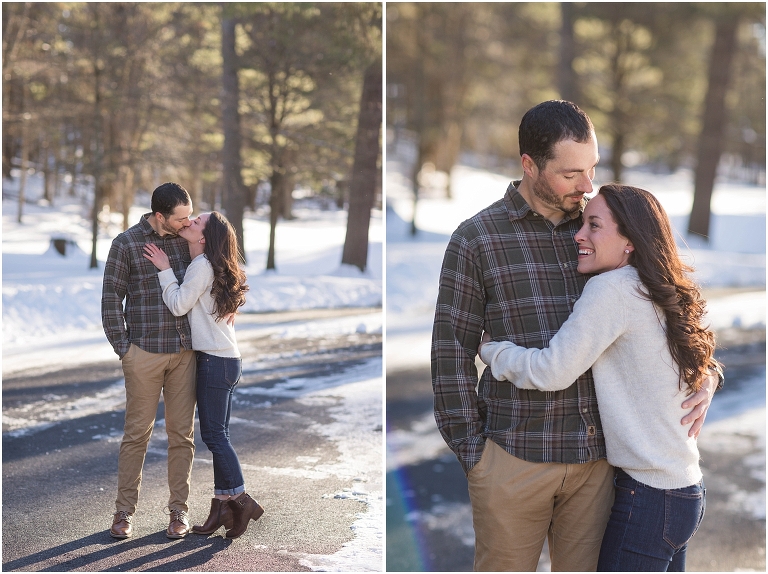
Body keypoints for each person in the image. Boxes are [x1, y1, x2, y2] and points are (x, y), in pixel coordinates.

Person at [430, 100, 720, 571]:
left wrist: (705, 374)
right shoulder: (477, 239)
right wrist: (476, 456)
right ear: (530, 165)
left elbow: (669, 307)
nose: (587, 185)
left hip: (598, 470)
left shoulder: (605, 228)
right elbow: (450, 352)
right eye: (571, 173)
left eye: (592, 168)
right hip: (514, 459)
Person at [479, 184, 722, 571]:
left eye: (594, 225)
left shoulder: (612, 289)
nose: (578, 235)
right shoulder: (658, 287)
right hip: (685, 492)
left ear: (630, 240)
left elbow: (552, 370)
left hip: (648, 497)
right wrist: (709, 377)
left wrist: (493, 350)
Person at [143, 211, 264, 539]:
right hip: (227, 360)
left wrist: (165, 270)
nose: (190, 221)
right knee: (219, 434)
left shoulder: (201, 266)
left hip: (214, 361)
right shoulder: (211, 265)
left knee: (214, 437)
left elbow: (178, 305)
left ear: (203, 238)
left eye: (197, 221)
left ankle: (241, 499)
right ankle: (221, 506)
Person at [102, 182, 197, 539]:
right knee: (136, 435)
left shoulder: (188, 241)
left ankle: (179, 510)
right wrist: (125, 350)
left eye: (190, 216)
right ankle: (124, 511)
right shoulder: (126, 244)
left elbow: (216, 273)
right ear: (160, 216)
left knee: (182, 435)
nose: (187, 223)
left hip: (185, 353)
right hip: (143, 353)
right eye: (181, 218)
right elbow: (111, 300)